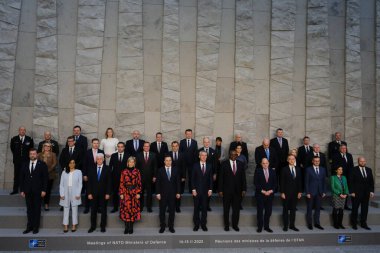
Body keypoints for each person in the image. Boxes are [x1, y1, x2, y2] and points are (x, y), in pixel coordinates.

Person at [19, 148, 48, 234]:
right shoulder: (24, 164)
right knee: (29, 209)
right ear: (29, 155)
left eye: (34, 154)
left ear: (37, 155)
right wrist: (22, 190)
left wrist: (44, 190)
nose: (32, 155)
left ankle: (36, 227)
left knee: (36, 209)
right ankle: (29, 227)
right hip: (27, 191)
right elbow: (21, 178)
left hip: (38, 191)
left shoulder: (42, 164)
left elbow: (45, 179)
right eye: (31, 154)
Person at [218, 150, 246, 232]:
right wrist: (220, 190)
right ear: (229, 155)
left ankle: (235, 225)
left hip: (237, 191)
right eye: (231, 154)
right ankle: (226, 225)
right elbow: (221, 178)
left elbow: (243, 178)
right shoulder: (224, 164)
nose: (233, 156)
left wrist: (244, 189)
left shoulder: (241, 164)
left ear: (237, 155)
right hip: (226, 191)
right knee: (226, 209)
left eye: (235, 154)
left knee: (236, 210)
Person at [87, 153, 112, 233]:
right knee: (93, 211)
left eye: (101, 158)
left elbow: (109, 182)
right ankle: (92, 226)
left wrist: (108, 193)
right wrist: (89, 193)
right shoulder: (91, 169)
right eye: (98, 159)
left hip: (104, 194)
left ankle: (103, 226)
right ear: (96, 160)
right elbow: (89, 183)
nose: (99, 160)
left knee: (104, 211)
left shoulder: (107, 169)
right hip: (93, 194)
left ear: (103, 159)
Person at [156, 156, 181, 233]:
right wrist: (158, 193)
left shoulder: (175, 170)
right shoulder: (160, 170)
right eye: (166, 160)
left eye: (170, 160)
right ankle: (162, 226)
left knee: (172, 211)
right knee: (162, 211)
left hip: (173, 194)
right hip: (163, 194)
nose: (168, 162)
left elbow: (178, 182)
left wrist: (178, 192)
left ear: (171, 161)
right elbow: (158, 183)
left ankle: (171, 226)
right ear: (164, 161)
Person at [350, 157, 375, 230]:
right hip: (356, 193)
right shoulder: (353, 170)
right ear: (358, 162)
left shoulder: (369, 170)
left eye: (364, 161)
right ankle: (354, 223)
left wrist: (372, 191)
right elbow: (350, 182)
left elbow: (371, 182)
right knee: (355, 209)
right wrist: (352, 192)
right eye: (361, 161)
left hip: (366, 193)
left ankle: (363, 223)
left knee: (365, 209)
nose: (363, 162)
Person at [119, 156, 142, 234]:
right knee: (126, 210)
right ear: (127, 163)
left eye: (132, 162)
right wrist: (121, 193)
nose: (131, 163)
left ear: (134, 163)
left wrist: (138, 192)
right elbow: (121, 183)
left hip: (134, 193)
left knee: (132, 210)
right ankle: (126, 227)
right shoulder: (124, 171)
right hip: (126, 193)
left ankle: (131, 227)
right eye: (130, 162)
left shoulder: (137, 171)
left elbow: (139, 182)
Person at [191, 151, 213, 232]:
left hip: (205, 191)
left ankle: (203, 224)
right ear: (199, 156)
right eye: (202, 155)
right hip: (196, 191)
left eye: (205, 155)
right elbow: (192, 178)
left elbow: (210, 179)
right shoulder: (195, 165)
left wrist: (210, 189)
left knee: (204, 208)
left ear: (207, 157)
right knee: (196, 208)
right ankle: (196, 225)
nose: (204, 157)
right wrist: (193, 189)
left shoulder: (209, 166)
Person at [59, 159, 82, 232]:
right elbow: (61, 184)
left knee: (75, 208)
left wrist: (78, 193)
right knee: (66, 208)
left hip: (75, 192)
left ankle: (74, 225)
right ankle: (65, 225)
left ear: (75, 164)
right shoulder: (64, 172)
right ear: (68, 164)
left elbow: (80, 184)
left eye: (73, 163)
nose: (72, 164)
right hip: (66, 191)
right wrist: (62, 194)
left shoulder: (78, 172)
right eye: (70, 163)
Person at [280, 154, 302, 232]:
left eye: (293, 159)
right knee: (285, 210)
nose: (292, 160)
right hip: (286, 193)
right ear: (287, 160)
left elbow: (299, 181)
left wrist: (300, 192)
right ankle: (285, 225)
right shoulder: (284, 169)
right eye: (290, 159)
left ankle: (292, 225)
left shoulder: (298, 169)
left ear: (295, 160)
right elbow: (282, 181)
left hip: (295, 193)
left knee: (293, 210)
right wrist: (282, 192)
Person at [254, 158, 276, 233]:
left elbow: (275, 184)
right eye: (263, 163)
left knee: (268, 212)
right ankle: (260, 227)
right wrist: (263, 191)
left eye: (266, 163)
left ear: (268, 163)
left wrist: (270, 191)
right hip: (260, 195)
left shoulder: (272, 171)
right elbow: (256, 183)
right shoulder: (258, 171)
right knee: (260, 212)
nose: (265, 164)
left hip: (270, 195)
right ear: (261, 164)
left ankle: (266, 227)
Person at [10, 126, 34, 195]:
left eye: (24, 130)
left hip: (26, 161)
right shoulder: (14, 139)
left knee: (25, 175)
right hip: (17, 161)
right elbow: (12, 149)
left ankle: (24, 190)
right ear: (19, 131)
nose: (22, 131)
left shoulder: (29, 139)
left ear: (25, 131)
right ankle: (15, 190)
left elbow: (31, 149)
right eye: (21, 130)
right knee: (16, 175)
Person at [305, 156, 326, 230]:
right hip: (311, 192)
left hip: (319, 192)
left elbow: (324, 181)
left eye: (318, 161)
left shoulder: (323, 169)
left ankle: (317, 223)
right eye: (315, 161)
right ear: (312, 161)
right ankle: (310, 224)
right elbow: (306, 182)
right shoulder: (308, 169)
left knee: (318, 209)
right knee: (309, 208)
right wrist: (307, 192)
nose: (317, 162)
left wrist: (324, 191)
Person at [83, 138, 105, 213]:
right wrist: (85, 174)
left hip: (98, 174)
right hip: (89, 175)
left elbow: (103, 164)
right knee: (88, 191)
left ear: (99, 144)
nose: (96, 144)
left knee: (98, 191)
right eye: (94, 143)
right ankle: (87, 207)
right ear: (92, 144)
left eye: (97, 143)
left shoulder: (101, 151)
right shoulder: (87, 152)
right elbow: (84, 164)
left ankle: (98, 207)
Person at [136, 142, 157, 212]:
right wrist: (137, 176)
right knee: (140, 193)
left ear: (149, 147)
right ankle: (140, 207)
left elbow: (155, 167)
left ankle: (149, 207)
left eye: (148, 146)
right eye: (145, 146)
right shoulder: (138, 155)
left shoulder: (153, 155)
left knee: (149, 193)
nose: (146, 147)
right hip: (140, 177)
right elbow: (136, 167)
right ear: (143, 147)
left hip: (150, 177)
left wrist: (154, 176)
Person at [332, 144, 354, 210]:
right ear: (340, 149)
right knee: (340, 189)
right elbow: (334, 166)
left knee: (346, 190)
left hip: (348, 176)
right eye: (342, 148)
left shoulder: (349, 155)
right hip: (340, 176)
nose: (344, 149)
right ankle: (339, 204)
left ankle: (345, 205)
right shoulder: (336, 156)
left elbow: (351, 166)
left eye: (345, 148)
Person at [109, 142, 129, 213]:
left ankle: (124, 206)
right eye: (119, 147)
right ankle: (115, 207)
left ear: (124, 147)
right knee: (115, 193)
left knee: (125, 193)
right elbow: (110, 166)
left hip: (125, 178)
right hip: (115, 178)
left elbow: (130, 167)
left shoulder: (128, 155)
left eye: (121, 147)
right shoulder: (113, 155)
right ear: (117, 147)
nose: (120, 148)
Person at [198, 137, 216, 211]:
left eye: (208, 142)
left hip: (209, 174)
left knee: (208, 190)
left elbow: (215, 163)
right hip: (200, 174)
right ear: (203, 142)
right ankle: (200, 206)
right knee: (200, 190)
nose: (206, 143)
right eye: (205, 142)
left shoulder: (213, 151)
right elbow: (196, 163)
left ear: (209, 143)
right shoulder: (199, 151)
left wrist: (215, 173)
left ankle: (207, 205)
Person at [37, 143, 57, 211]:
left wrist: (47, 171)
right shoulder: (39, 154)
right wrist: (42, 172)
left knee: (47, 191)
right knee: (40, 190)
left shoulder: (53, 154)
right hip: (40, 176)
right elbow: (37, 163)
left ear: (50, 147)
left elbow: (54, 164)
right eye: (46, 146)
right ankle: (39, 204)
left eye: (49, 146)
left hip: (50, 175)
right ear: (43, 147)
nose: (47, 147)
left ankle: (46, 204)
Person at [179, 129, 198, 193]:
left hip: (192, 163)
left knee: (191, 177)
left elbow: (196, 154)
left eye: (190, 134)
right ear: (185, 134)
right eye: (187, 134)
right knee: (182, 176)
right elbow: (180, 153)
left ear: (191, 134)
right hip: (183, 163)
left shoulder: (194, 142)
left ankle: (191, 190)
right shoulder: (182, 142)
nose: (189, 135)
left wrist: (195, 163)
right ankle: (181, 190)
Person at [168, 141, 185, 212]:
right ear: (171, 147)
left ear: (178, 147)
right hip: (170, 177)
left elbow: (184, 166)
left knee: (178, 192)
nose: (175, 147)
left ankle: (177, 207)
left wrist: (184, 176)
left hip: (179, 177)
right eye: (173, 146)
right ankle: (169, 207)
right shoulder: (168, 154)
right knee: (170, 193)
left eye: (176, 146)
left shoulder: (182, 154)